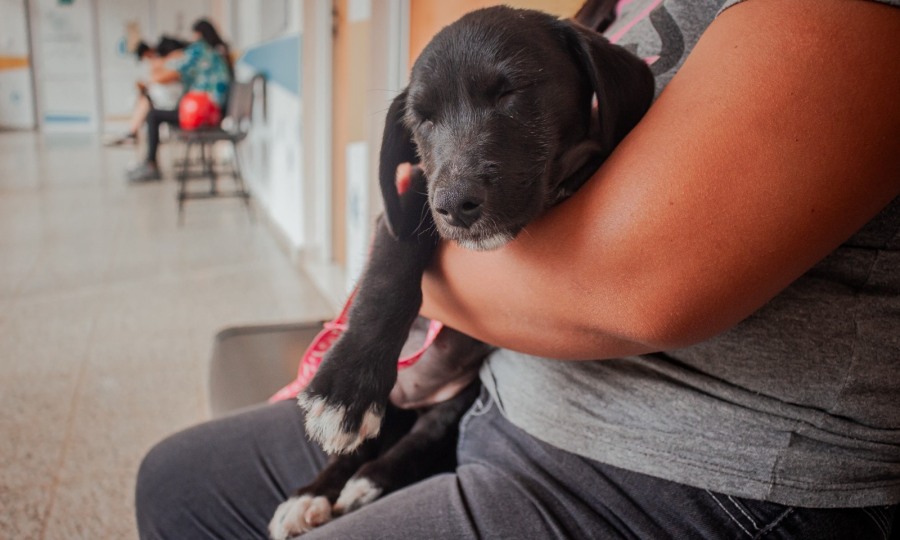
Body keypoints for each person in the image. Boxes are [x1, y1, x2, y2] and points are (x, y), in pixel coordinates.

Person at [135, 0, 900, 538]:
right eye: (427, 122)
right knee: (174, 483)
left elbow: (631, 291)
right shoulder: (591, 19)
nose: (455, 176)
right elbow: (420, 210)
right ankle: (409, 453)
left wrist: (404, 264)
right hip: (504, 392)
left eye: (511, 97)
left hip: (695, 469)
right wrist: (407, 261)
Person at [126, 19, 232, 183]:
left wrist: (160, 64)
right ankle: (148, 162)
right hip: (215, 110)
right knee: (160, 110)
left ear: (198, 34)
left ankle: (151, 165)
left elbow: (172, 69)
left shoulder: (199, 50)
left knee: (153, 115)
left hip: (205, 113)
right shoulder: (216, 51)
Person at [105, 37, 187, 147]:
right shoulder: (165, 62)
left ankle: (132, 133)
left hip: (173, 101)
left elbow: (162, 78)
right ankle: (132, 133)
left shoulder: (174, 60)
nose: (148, 59)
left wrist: (151, 79)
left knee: (147, 105)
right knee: (144, 101)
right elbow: (157, 79)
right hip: (167, 96)